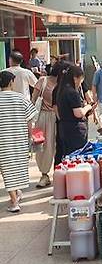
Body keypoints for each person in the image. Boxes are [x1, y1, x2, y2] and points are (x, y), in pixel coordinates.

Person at [0, 71, 38, 212]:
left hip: (3, 140)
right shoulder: (20, 98)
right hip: (19, 139)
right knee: (17, 167)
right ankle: (15, 198)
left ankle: (14, 199)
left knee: (7, 169)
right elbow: (30, 119)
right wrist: (30, 136)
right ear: (11, 83)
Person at [31, 61, 65, 188]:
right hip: (44, 116)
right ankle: (44, 174)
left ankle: (59, 173)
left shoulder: (64, 83)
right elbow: (33, 99)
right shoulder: (43, 81)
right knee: (44, 146)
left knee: (59, 146)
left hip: (59, 116)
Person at [56, 64, 95, 162]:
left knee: (68, 157)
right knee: (76, 157)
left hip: (64, 128)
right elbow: (78, 113)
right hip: (75, 130)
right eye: (80, 81)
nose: (80, 84)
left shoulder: (61, 90)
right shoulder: (72, 92)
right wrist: (88, 107)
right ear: (75, 78)